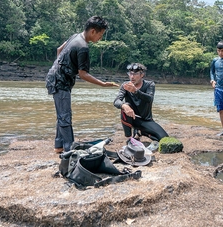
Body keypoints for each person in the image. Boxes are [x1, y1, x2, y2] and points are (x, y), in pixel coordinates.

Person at [46, 16, 118, 153]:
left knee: (63, 114)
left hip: (55, 77)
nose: (100, 38)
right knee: (65, 116)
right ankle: (69, 151)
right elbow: (83, 74)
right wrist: (102, 84)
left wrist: (59, 67)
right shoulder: (83, 47)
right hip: (60, 82)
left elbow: (59, 50)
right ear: (93, 31)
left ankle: (59, 145)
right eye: (100, 34)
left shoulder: (75, 36)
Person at [113, 63, 168, 142]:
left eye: (135, 74)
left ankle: (140, 132)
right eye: (130, 74)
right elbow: (116, 101)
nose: (132, 77)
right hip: (132, 118)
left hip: (146, 120)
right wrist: (123, 105)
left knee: (164, 138)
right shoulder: (125, 85)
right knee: (125, 106)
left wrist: (136, 91)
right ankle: (129, 137)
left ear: (142, 75)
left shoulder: (149, 84)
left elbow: (149, 99)